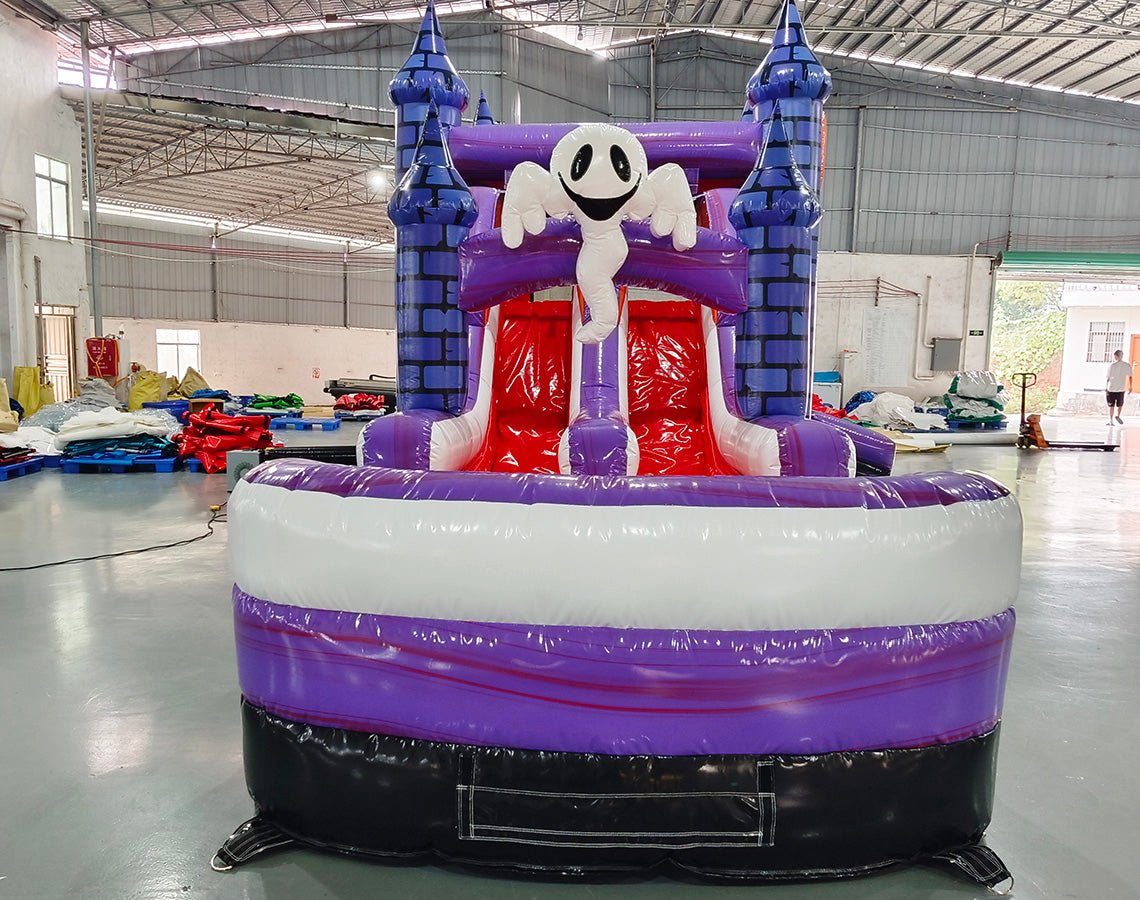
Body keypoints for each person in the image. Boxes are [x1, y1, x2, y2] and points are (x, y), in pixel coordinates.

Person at [1105, 349, 1131, 425]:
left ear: (1116, 356)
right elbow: (1130, 376)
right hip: (1121, 388)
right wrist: (1130, 386)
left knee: (1111, 405)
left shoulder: (1112, 366)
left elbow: (1108, 378)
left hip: (1111, 388)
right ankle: (1118, 415)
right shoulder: (1127, 365)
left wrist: (1106, 388)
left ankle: (1111, 420)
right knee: (1120, 404)